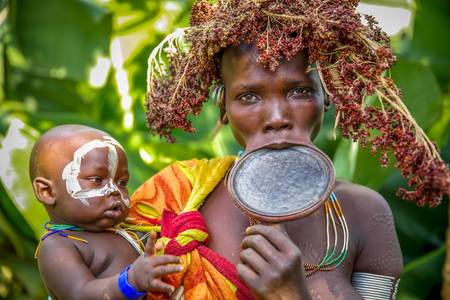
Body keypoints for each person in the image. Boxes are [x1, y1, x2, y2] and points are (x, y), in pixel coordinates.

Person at [127, 1, 450, 299]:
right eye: (249, 96)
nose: (277, 117)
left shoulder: (364, 214)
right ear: (223, 107)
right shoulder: (178, 197)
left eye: (299, 91)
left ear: (328, 97)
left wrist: (291, 294)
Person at [30, 124, 183, 299]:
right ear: (47, 192)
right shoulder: (57, 246)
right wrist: (130, 282)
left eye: (122, 182)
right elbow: (81, 294)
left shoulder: (129, 228)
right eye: (97, 179)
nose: (114, 190)